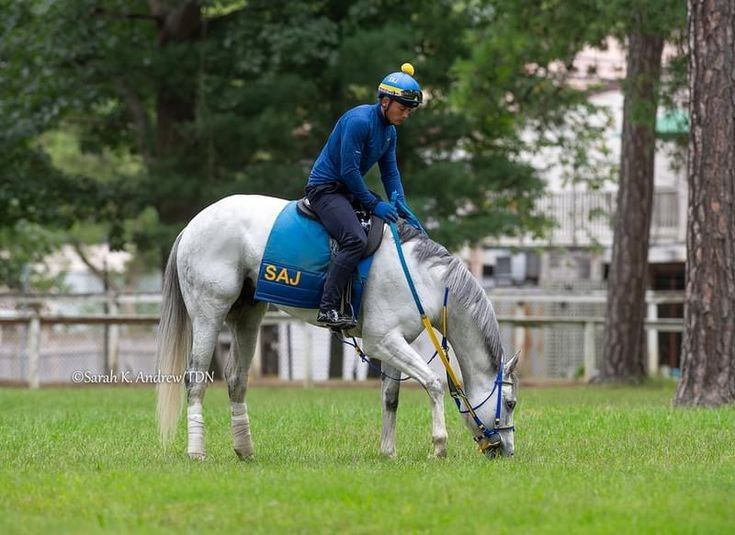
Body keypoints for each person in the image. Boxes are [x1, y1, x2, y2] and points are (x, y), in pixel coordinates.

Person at [305, 63, 424, 329]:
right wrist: (374, 204)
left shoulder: (389, 133)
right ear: (385, 101)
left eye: (409, 111)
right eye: (402, 108)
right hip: (325, 189)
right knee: (355, 240)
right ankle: (328, 308)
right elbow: (348, 171)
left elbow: (390, 174)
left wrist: (401, 205)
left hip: (348, 190)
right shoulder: (359, 122)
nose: (406, 114)